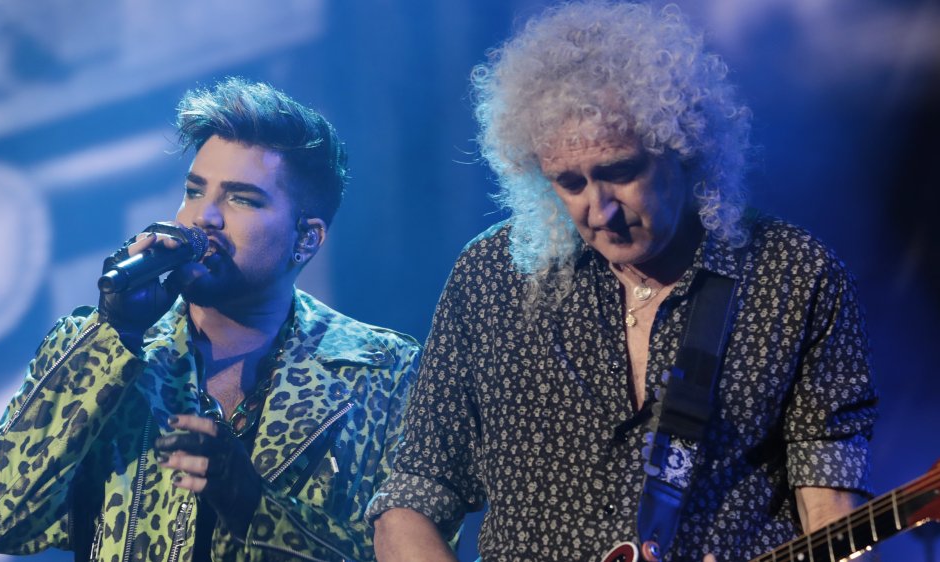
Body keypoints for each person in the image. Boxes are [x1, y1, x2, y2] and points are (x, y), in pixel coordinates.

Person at [367, 2, 877, 561]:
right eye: (569, 182)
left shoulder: (793, 274)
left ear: (684, 148)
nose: (599, 210)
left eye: (621, 171)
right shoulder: (491, 276)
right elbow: (415, 494)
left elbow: (830, 501)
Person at [0, 77, 420, 562]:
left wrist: (253, 507)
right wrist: (115, 336)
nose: (205, 217)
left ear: (306, 240)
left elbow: (405, 553)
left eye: (242, 198)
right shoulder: (97, 346)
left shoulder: (382, 373)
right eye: (194, 191)